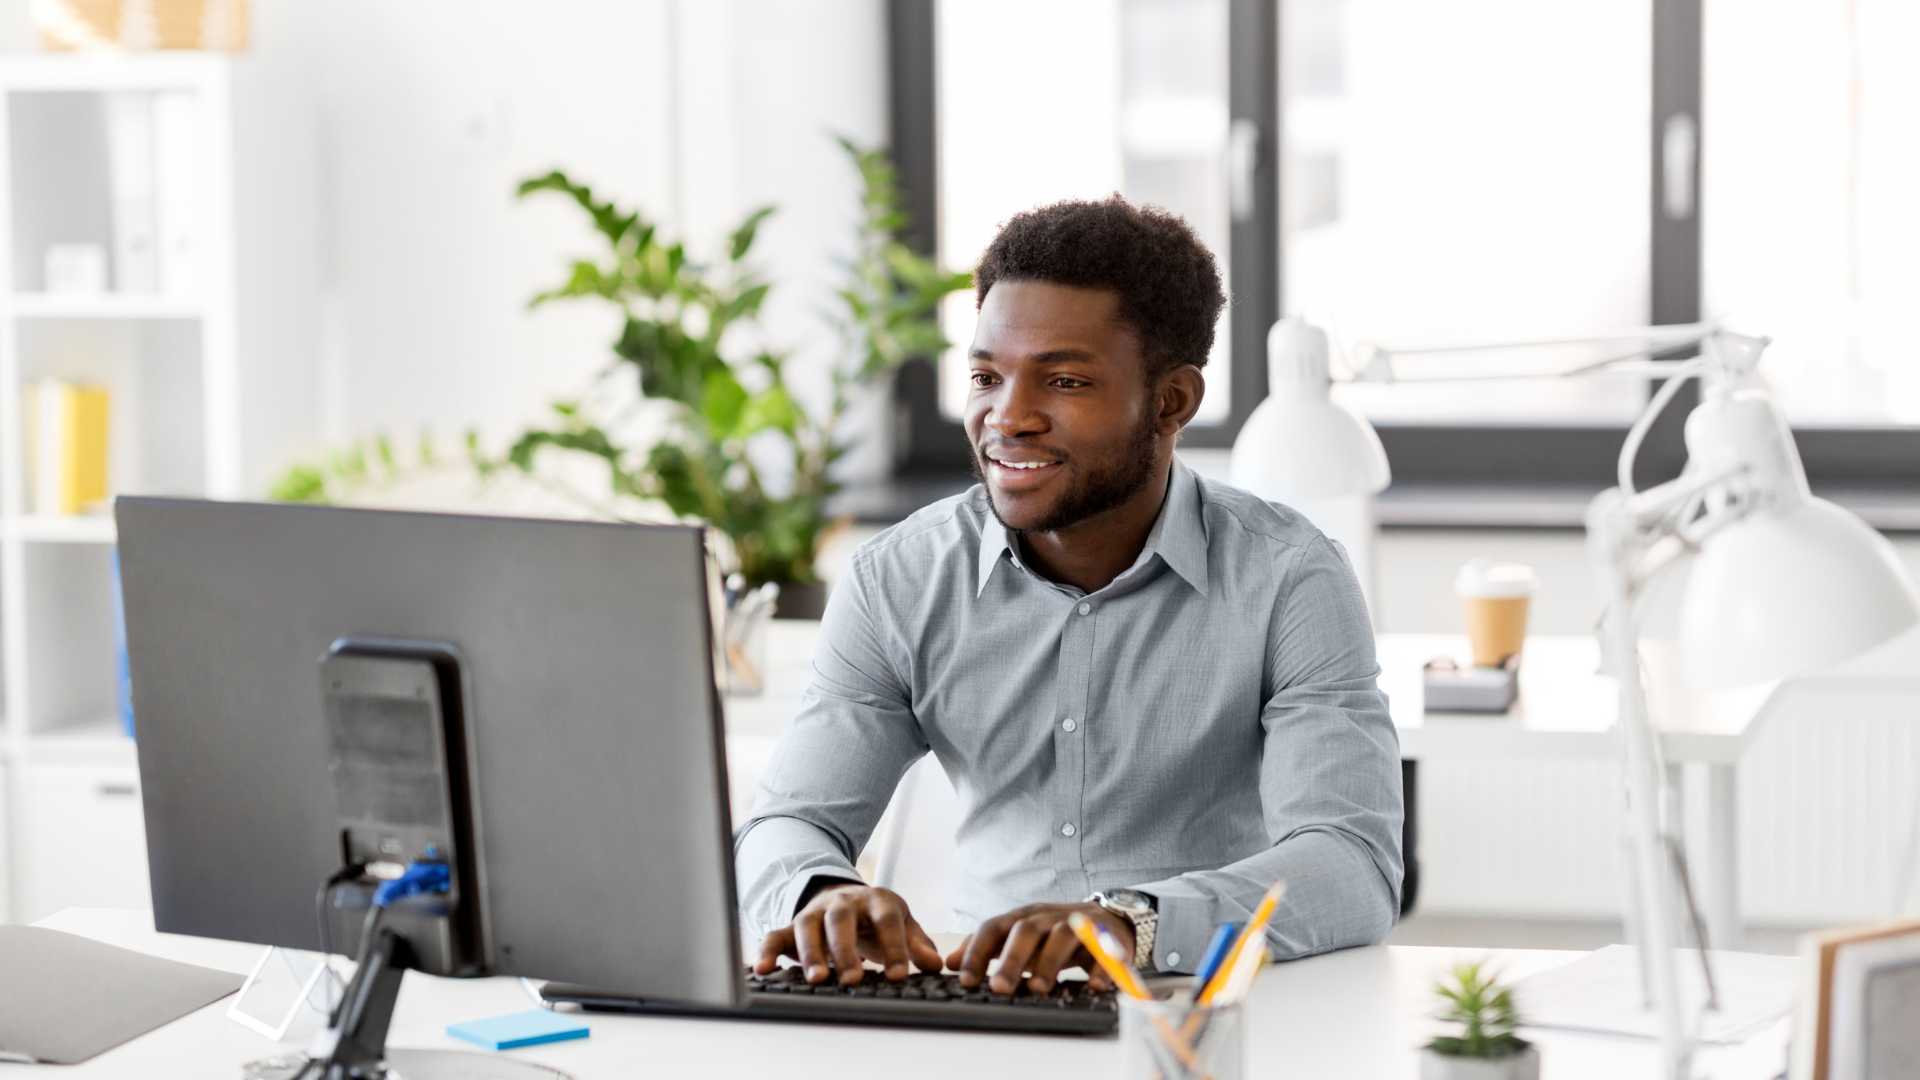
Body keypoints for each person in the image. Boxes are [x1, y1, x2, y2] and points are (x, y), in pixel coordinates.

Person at [734, 195, 1402, 997]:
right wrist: (818, 893)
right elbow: (787, 822)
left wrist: (1130, 924)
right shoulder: (899, 579)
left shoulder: (1290, 578)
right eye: (986, 377)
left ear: (1172, 402)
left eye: (1064, 380)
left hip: (1206, 1007)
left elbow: (1351, 864)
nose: (1007, 417)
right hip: (980, 1006)